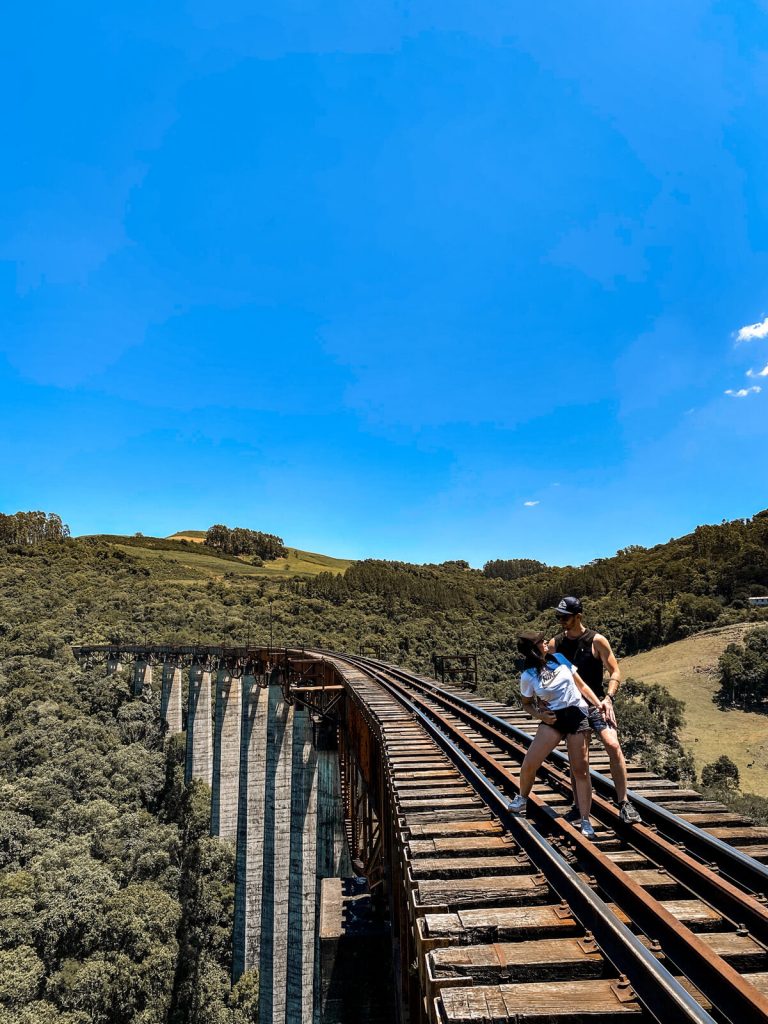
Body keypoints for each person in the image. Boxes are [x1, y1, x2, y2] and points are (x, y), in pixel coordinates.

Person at [548, 596, 642, 825]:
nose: (560, 620)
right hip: (570, 707)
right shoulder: (555, 644)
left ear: (578, 616)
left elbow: (615, 671)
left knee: (613, 744)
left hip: (597, 702)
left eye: (565, 617)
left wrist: (609, 698)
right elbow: (546, 675)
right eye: (558, 616)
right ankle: (578, 804)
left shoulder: (597, 641)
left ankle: (624, 801)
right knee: (578, 758)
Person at [509, 630, 606, 839]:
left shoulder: (560, 659)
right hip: (553, 720)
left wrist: (599, 705)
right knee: (529, 763)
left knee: (580, 770)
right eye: (540, 642)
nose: (545, 642)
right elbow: (526, 704)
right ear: (533, 649)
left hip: (577, 715)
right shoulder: (528, 676)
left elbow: (581, 685)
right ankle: (522, 798)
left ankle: (586, 820)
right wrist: (540, 716)